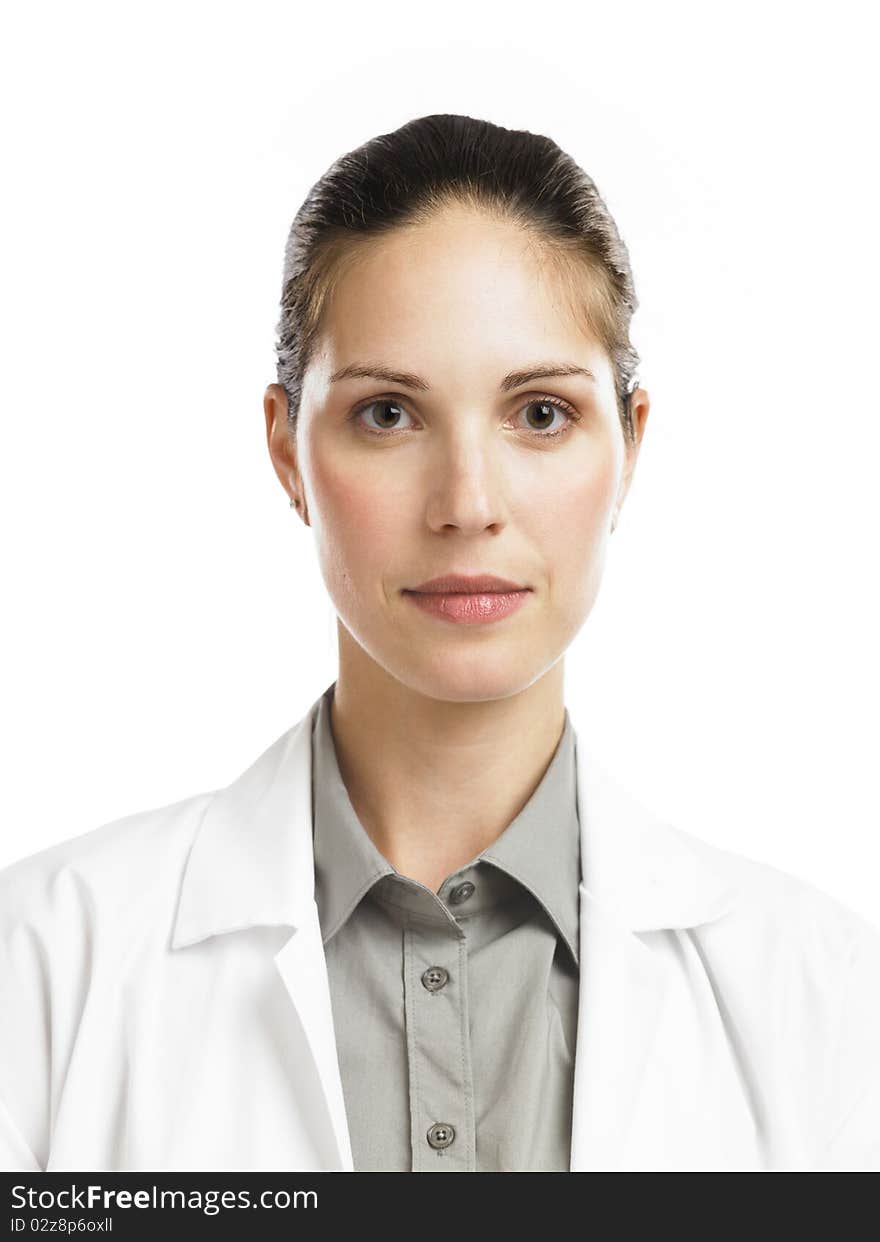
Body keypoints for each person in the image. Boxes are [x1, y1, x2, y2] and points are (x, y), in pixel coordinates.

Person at [1, 114, 878, 1174]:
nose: (467, 505)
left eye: (542, 413)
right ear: (286, 450)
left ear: (631, 444)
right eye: (386, 415)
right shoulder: (41, 974)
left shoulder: (822, 1000)